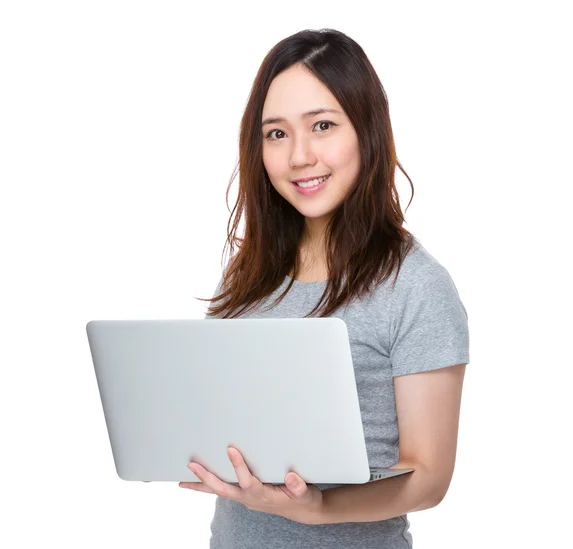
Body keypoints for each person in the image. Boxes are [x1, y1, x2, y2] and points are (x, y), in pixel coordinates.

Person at [181, 28, 470, 549]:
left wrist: (319, 508)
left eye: (322, 125)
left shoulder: (415, 286)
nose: (299, 156)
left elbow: (428, 477)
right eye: (276, 133)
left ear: (367, 129)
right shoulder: (245, 278)